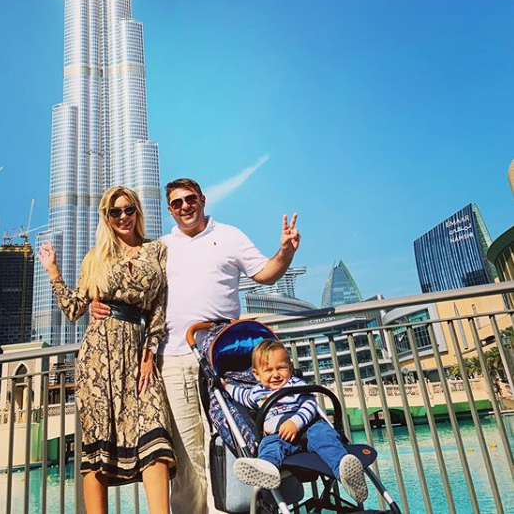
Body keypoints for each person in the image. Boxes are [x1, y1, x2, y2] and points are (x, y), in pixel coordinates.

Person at [92, 177, 300, 514]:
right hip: (174, 358)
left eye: (190, 199)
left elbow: (265, 273)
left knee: (229, 439)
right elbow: (126, 282)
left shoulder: (229, 236)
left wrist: (286, 251)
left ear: (202, 200)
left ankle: (232, 508)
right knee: (186, 452)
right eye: (177, 203)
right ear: (170, 210)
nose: (185, 207)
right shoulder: (159, 247)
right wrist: (98, 303)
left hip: (224, 358)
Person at [38, 186, 175, 514]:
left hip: (138, 351)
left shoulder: (157, 250)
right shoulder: (95, 257)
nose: (123, 216)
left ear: (138, 211)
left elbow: (159, 308)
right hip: (98, 357)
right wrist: (54, 272)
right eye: (115, 212)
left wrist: (149, 353)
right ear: (107, 217)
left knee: (154, 433)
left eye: (129, 209)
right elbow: (74, 309)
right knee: (98, 444)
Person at [225, 339, 368, 504]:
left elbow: (310, 404)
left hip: (308, 429)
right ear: (256, 374)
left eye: (281, 368)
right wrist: (225, 386)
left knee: (324, 435)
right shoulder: (255, 393)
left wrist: (295, 422)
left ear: (290, 368)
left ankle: (344, 471)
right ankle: (267, 468)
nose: (275, 374)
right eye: (268, 370)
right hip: (280, 436)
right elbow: (241, 395)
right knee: (269, 445)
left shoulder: (296, 385)